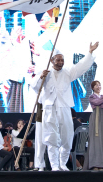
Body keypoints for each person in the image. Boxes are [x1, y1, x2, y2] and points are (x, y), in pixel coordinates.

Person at [33, 42, 99, 171]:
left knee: (67, 137)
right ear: (52, 61)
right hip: (50, 109)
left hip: (64, 107)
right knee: (51, 138)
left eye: (62, 60)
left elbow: (81, 67)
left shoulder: (68, 72)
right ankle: (54, 166)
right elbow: (35, 87)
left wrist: (89, 53)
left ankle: (63, 163)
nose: (60, 62)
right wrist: (41, 78)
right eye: (58, 60)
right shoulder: (45, 72)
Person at [84, 81, 103, 171]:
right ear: (93, 88)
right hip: (97, 117)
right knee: (96, 141)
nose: (98, 86)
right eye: (96, 85)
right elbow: (97, 102)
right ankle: (95, 164)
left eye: (99, 85)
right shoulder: (92, 96)